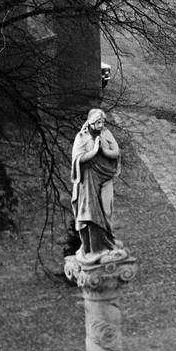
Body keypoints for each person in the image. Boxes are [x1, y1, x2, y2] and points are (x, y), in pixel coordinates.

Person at [70, 108, 122, 258]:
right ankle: (94, 248)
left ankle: (109, 241)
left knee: (107, 211)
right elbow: (77, 159)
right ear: (91, 123)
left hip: (105, 177)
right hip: (88, 181)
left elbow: (116, 152)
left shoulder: (106, 133)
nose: (101, 125)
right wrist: (93, 150)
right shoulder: (81, 137)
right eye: (98, 123)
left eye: (102, 122)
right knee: (90, 213)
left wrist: (104, 149)